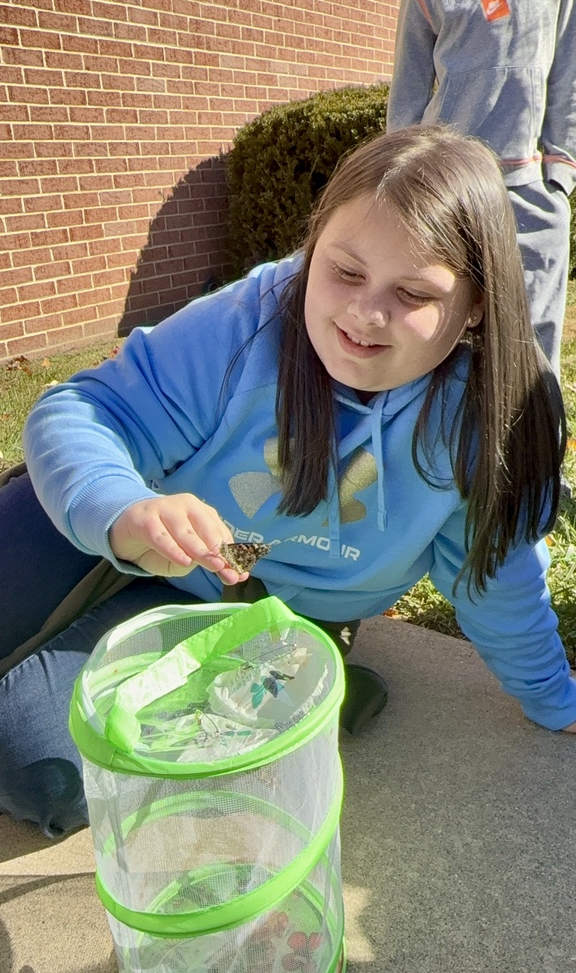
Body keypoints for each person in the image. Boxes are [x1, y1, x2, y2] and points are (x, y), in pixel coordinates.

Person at [2, 124, 575, 842]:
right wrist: (120, 506)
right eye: (345, 272)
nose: (366, 314)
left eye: (413, 293)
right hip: (119, 511)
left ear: (479, 305)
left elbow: (496, 578)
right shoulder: (245, 323)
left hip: (255, 612)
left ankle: (320, 691)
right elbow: (84, 411)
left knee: (39, 765)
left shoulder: (489, 417)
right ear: (313, 248)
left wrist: (554, 698)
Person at [386, 0, 576, 381]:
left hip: (527, 192)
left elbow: (568, 70)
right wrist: (404, 187)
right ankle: (449, 439)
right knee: (442, 336)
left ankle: (536, 440)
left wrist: (559, 177)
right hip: (446, 193)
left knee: (535, 349)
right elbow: (408, 89)